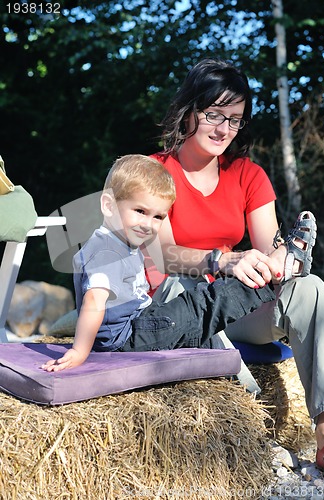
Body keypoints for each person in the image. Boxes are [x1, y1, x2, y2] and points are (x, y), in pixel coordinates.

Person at [148, 58, 324, 477]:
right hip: (176, 305)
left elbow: (268, 249)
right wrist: (222, 259)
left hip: (232, 310)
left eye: (234, 120)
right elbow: (159, 255)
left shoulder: (248, 175)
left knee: (309, 288)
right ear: (189, 110)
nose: (223, 130)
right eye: (213, 114)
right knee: (179, 282)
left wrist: (283, 258)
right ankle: (249, 428)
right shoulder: (155, 171)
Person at [42, 154, 276, 373]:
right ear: (109, 205)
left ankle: (223, 372)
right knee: (199, 307)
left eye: (158, 217)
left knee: (193, 315)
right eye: (140, 211)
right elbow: (94, 299)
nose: (148, 224)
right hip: (126, 339)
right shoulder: (106, 252)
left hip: (139, 322)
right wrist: (79, 351)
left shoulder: (120, 241)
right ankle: (263, 279)